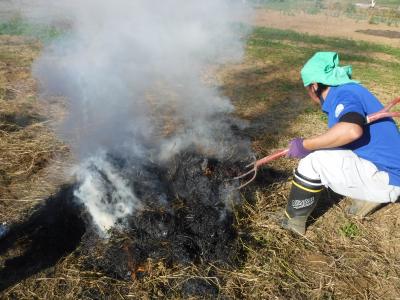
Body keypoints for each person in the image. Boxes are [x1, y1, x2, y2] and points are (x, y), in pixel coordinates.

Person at [281, 51, 400, 235]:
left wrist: (305, 146)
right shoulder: (349, 90)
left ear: (314, 86)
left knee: (314, 162)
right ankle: (367, 196)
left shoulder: (343, 94)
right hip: (389, 170)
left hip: (390, 177)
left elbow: (352, 130)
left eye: (307, 89)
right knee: (326, 150)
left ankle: (292, 222)